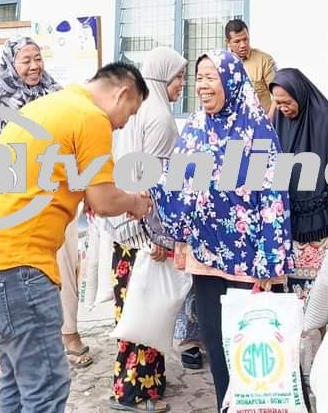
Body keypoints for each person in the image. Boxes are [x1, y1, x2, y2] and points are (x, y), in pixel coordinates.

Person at [0, 63, 153, 413]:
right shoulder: (91, 117)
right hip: (17, 269)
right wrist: (137, 203)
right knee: (46, 387)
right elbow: (104, 200)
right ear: (123, 93)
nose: (123, 123)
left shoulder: (44, 106)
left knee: (18, 380)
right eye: (130, 112)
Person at [155, 50, 294, 411]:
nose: (201, 85)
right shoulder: (196, 128)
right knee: (217, 351)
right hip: (207, 261)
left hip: (249, 264)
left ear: (231, 81)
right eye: (198, 77)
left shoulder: (256, 131)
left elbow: (273, 199)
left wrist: (270, 265)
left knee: (250, 351)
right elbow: (179, 187)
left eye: (210, 77)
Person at [0, 38, 92, 398]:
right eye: (26, 60)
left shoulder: (56, 95)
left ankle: (69, 333)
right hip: (20, 208)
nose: (33, 66)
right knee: (23, 281)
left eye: (38, 59)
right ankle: (6, 357)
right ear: (12, 64)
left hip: (60, 202)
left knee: (67, 268)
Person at [108, 47, 187, 413]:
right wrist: (158, 237)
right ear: (161, 76)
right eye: (179, 77)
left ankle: (148, 384)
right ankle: (132, 394)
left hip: (124, 228)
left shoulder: (139, 112)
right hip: (143, 233)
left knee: (134, 310)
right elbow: (153, 184)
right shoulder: (160, 118)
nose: (183, 85)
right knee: (145, 311)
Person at [269, 68, 328, 297]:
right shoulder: (279, 118)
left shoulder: (324, 116)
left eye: (287, 102)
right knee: (290, 293)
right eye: (278, 102)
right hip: (290, 217)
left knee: (321, 292)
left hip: (321, 220)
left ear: (299, 94)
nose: (283, 108)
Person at [224, 19, 276, 114]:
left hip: (261, 123)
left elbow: (278, 95)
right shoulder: (222, 65)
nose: (243, 45)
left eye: (245, 39)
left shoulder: (264, 60)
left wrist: (269, 120)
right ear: (227, 42)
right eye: (237, 41)